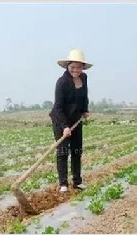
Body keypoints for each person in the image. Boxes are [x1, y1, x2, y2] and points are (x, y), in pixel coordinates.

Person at [49, 49, 92, 193]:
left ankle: (77, 182)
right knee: (62, 152)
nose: (76, 70)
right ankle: (63, 184)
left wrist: (85, 110)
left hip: (76, 120)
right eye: (73, 67)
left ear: (83, 67)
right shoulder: (62, 82)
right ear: (68, 66)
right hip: (61, 120)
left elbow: (84, 95)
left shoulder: (84, 78)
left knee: (77, 151)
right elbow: (58, 107)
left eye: (79, 67)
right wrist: (64, 126)